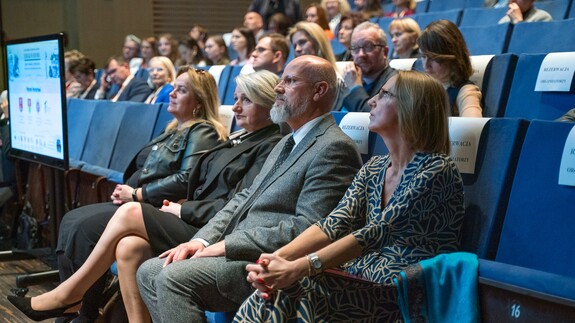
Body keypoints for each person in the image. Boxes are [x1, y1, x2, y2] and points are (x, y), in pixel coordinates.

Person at [136, 56, 363, 323]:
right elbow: (243, 198)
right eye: (281, 80)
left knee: (173, 278)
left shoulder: (334, 147)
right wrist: (201, 240)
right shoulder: (287, 141)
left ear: (319, 90)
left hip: (265, 261)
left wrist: (226, 246)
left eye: (289, 81)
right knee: (149, 271)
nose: (278, 88)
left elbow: (309, 226)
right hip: (237, 251)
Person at [236, 70, 465, 322]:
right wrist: (278, 258)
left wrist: (298, 267)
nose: (371, 101)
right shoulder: (375, 167)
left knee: (296, 287)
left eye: (385, 94)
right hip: (362, 277)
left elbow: (375, 232)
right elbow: (335, 222)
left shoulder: (437, 168)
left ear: (412, 107)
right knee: (279, 289)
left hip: (405, 290)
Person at [7, 67, 229, 323]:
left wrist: (137, 193)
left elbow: (185, 179)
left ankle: (78, 309)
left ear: (199, 102)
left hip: (155, 209)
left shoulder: (202, 130)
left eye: (181, 90)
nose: (172, 94)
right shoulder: (173, 129)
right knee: (72, 220)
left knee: (83, 227)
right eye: (173, 88)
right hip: (139, 204)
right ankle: (74, 308)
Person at [418, 20, 483, 117]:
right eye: (423, 57)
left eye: (434, 58)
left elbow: (472, 127)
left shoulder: (466, 91)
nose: (426, 65)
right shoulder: (423, 89)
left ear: (452, 58)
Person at [341, 21, 397, 112]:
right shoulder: (348, 80)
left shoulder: (395, 83)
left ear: (385, 52)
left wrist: (355, 88)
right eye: (355, 48)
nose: (361, 54)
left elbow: (372, 117)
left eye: (369, 46)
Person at [288, 22, 346, 110]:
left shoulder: (339, 79)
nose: (297, 49)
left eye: (302, 42)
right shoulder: (292, 81)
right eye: (295, 45)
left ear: (318, 43)